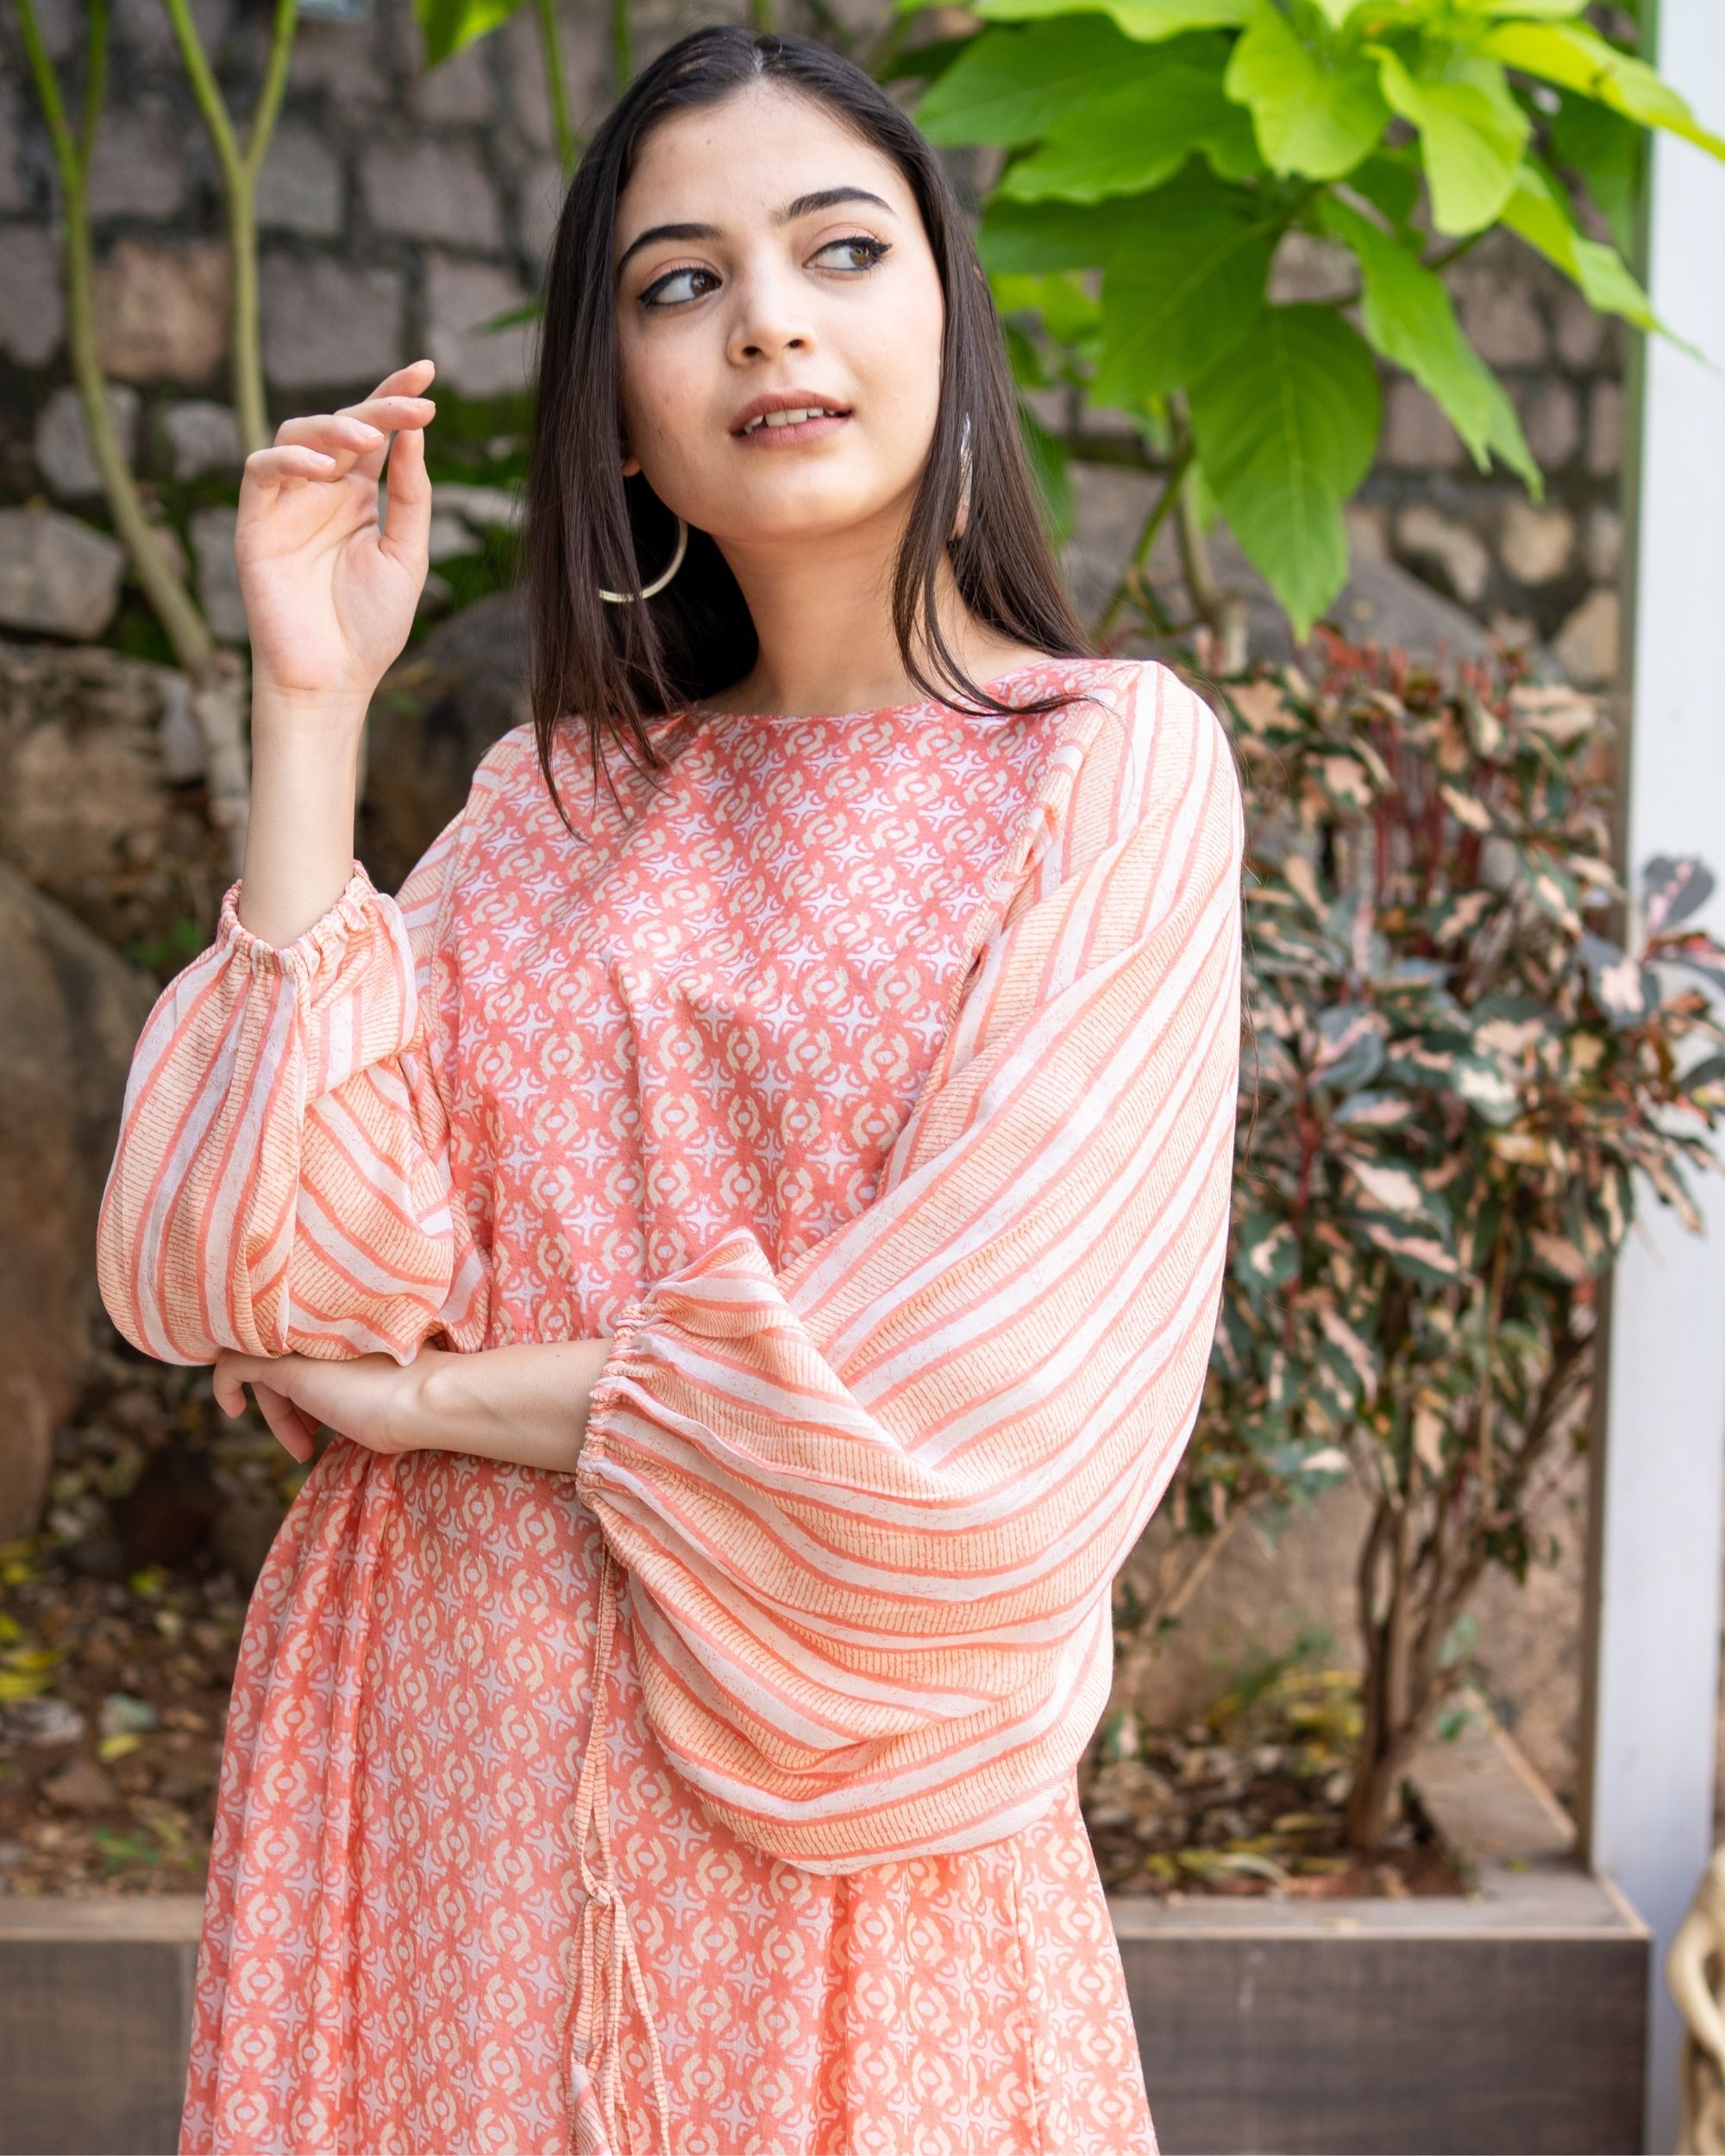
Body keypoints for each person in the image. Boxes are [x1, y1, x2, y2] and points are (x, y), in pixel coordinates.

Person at [96, 23, 1245, 2155]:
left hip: (835, 1813)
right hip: (434, 1769)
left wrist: (448, 1402)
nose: (770, 321)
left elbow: (969, 1429)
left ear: (944, 325)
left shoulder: (1108, 772)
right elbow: (255, 1257)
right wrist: (311, 699)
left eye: (837, 249)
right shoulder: (545, 805)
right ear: (616, 412)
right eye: (681, 281)